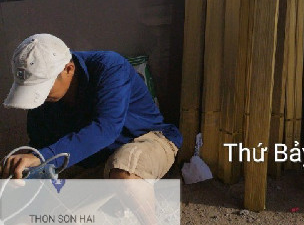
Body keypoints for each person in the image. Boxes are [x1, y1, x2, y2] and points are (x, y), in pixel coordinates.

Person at [1, 34, 182, 180]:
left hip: (145, 140)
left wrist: (42, 157)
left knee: (124, 174)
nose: (38, 96)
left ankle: (148, 215)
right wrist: (25, 166)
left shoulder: (110, 67)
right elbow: (41, 144)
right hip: (95, 158)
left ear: (68, 69)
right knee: (45, 203)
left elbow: (106, 129)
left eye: (42, 88)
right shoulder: (41, 99)